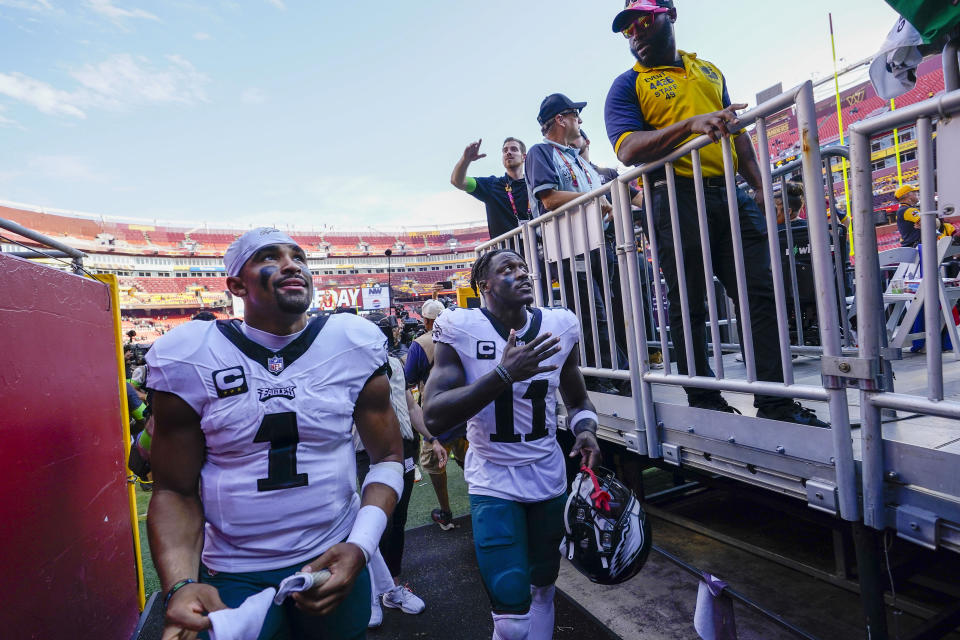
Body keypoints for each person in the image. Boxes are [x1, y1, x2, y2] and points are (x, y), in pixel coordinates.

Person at [146, 227, 404, 640]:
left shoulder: (351, 342)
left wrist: (361, 545)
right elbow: (174, 490)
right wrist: (179, 583)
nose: (291, 264)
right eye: (270, 257)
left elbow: (388, 458)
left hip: (332, 552)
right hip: (233, 572)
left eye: (298, 257)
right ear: (236, 284)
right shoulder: (192, 354)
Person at [604, 0, 828, 426]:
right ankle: (705, 401)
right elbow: (629, 148)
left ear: (670, 14)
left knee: (761, 293)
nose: (635, 33)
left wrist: (760, 186)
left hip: (729, 192)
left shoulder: (709, 70)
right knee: (689, 301)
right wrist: (689, 126)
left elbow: (735, 131)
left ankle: (776, 403)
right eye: (627, 29)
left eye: (644, 21)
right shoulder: (626, 85)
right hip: (675, 198)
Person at [422, 249, 602, 640]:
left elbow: (577, 399)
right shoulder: (461, 326)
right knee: (509, 613)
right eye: (507, 269)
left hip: (547, 474)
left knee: (543, 588)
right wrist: (503, 373)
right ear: (484, 285)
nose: (521, 274)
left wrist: (586, 429)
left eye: (522, 267)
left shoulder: (560, 324)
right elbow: (434, 414)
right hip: (494, 477)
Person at [525, 94, 622, 390]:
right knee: (593, 313)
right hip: (570, 247)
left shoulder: (575, 157)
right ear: (561, 119)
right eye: (576, 115)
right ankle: (600, 379)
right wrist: (598, 201)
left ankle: (617, 373)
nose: (580, 122)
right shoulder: (541, 152)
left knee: (611, 309)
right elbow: (549, 197)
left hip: (597, 243)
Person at [355, 352, 429, 628]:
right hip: (368, 451)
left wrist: (431, 437)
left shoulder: (394, 363)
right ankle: (371, 593)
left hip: (404, 449)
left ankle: (392, 588)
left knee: (397, 522)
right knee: (373, 525)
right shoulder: (347, 363)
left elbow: (410, 407)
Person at [404, 299, 468, 531]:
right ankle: (482, 503)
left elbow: (408, 379)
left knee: (434, 466)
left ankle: (446, 512)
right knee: (469, 461)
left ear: (426, 320)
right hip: (464, 410)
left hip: (436, 416)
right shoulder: (462, 338)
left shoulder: (420, 344)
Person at [451, 138, 532, 240]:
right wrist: (465, 160)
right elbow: (457, 181)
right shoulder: (491, 185)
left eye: (514, 149)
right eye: (505, 150)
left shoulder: (534, 184)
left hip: (540, 251)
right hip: (506, 254)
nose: (508, 152)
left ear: (524, 157)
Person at [895, 183, 959, 247]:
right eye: (914, 192)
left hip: (912, 246)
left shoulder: (902, 210)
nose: (917, 194)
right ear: (907, 195)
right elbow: (930, 223)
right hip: (917, 246)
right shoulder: (908, 210)